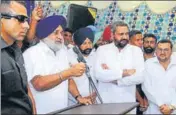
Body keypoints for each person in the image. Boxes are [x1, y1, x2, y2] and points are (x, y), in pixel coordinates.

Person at [23, 15, 91, 114]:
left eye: (61, 33)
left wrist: (78, 97)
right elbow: (38, 84)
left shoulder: (62, 52)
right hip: (42, 111)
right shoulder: (32, 53)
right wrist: (69, 72)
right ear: (44, 34)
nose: (60, 37)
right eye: (56, 33)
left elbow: (68, 79)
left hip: (62, 110)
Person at [94, 21, 144, 114]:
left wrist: (116, 80)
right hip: (105, 102)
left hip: (127, 103)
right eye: (121, 34)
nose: (124, 37)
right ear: (113, 35)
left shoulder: (136, 51)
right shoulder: (102, 50)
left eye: (126, 34)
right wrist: (124, 73)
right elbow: (98, 74)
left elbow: (140, 77)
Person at [116, 39, 176, 114]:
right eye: (160, 49)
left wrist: (172, 106)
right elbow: (147, 88)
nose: (162, 52)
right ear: (156, 50)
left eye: (166, 50)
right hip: (154, 109)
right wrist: (161, 105)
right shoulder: (148, 64)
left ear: (171, 51)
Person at [1, 1, 35, 114]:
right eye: (20, 18)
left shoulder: (16, 49)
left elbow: (25, 90)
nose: (27, 26)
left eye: (26, 20)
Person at [68, 27, 97, 106]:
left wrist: (96, 93)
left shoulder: (96, 55)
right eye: (84, 43)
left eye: (90, 43)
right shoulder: (68, 56)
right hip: (74, 102)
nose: (88, 46)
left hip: (93, 100)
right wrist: (79, 97)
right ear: (78, 44)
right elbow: (68, 80)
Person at [136, 33, 158, 114]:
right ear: (143, 43)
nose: (149, 44)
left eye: (152, 42)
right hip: (136, 96)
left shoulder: (159, 61)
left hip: (154, 99)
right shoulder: (136, 59)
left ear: (156, 44)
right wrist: (141, 99)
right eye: (146, 42)